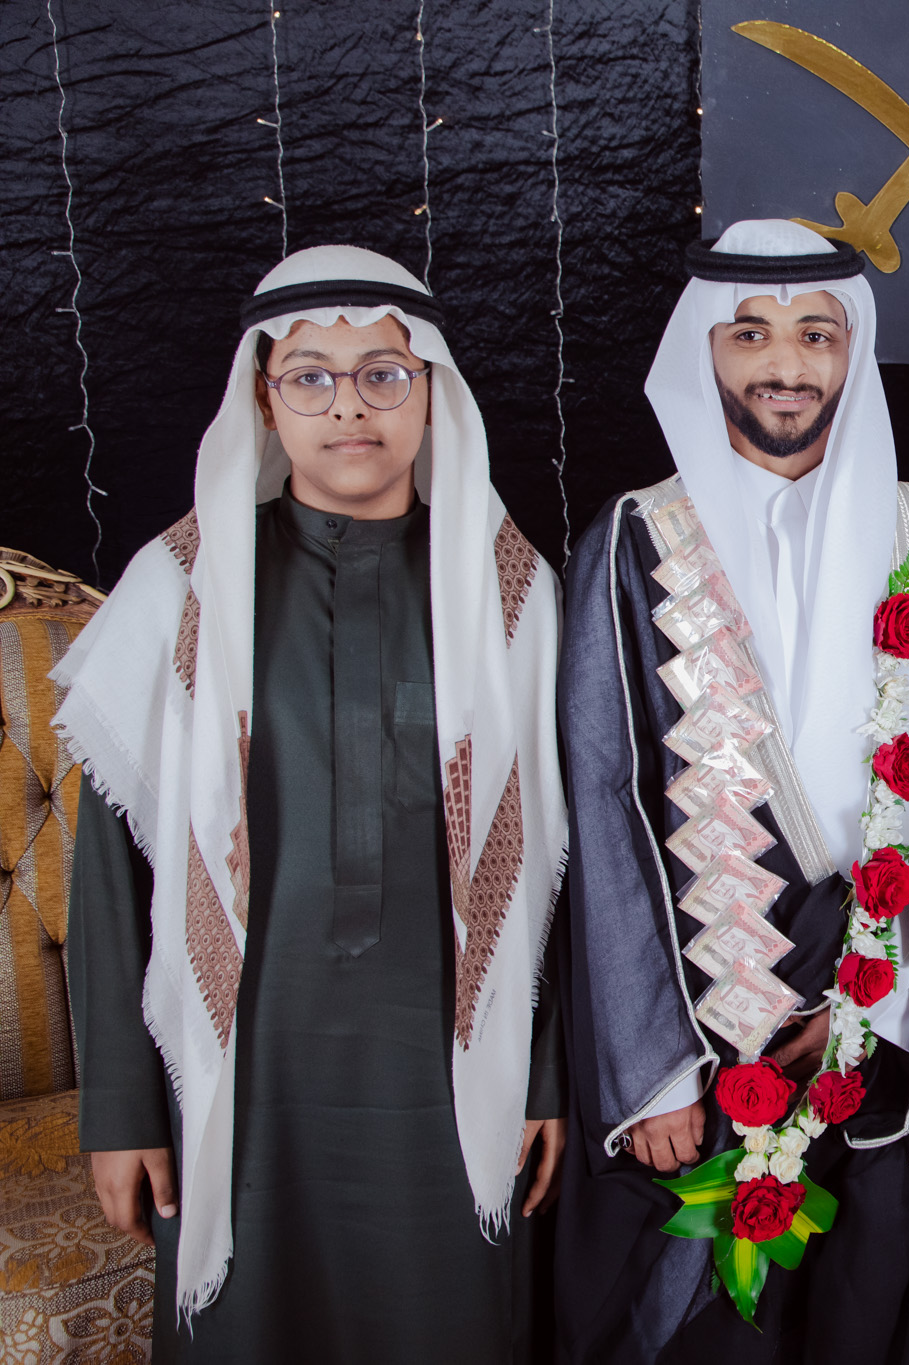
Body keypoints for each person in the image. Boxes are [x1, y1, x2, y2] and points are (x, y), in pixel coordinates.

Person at [60, 246, 569, 1360]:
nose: (349, 406)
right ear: (263, 400)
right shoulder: (181, 590)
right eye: (311, 377)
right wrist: (122, 1108)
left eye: (383, 374)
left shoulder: (511, 596)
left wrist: (544, 1077)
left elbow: (556, 869)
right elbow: (109, 872)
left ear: (430, 393)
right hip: (245, 1077)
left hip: (452, 1073)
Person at [552, 220, 909, 1364]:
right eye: (749, 334)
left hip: (879, 1009)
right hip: (700, 1019)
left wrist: (879, 999)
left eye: (814, 335)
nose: (784, 364)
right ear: (704, 349)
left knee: (862, 1306)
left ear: (851, 353)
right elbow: (602, 801)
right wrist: (647, 1068)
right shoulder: (634, 540)